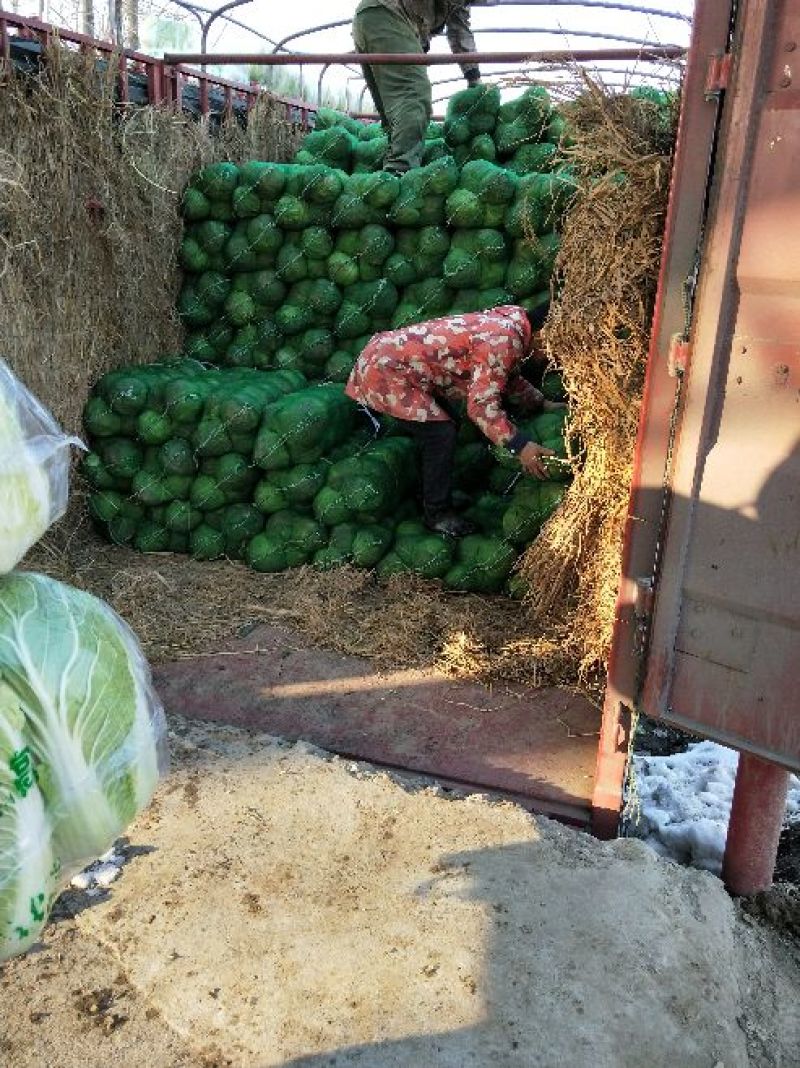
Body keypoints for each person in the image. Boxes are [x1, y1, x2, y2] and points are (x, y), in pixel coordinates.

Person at [345, 304, 566, 537]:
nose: (547, 357)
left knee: (445, 426)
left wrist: (540, 403)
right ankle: (437, 515)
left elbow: (503, 374)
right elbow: (480, 407)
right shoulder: (505, 340)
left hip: (391, 360)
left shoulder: (513, 323)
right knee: (441, 434)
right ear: (544, 333)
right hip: (386, 371)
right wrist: (520, 445)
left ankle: (429, 495)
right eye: (551, 350)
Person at [352, 1, 482, 174]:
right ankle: (399, 173)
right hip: (389, 14)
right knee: (413, 94)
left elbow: (460, 31)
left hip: (372, 16)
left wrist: (473, 77)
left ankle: (392, 166)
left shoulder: (460, 4)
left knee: (393, 109)